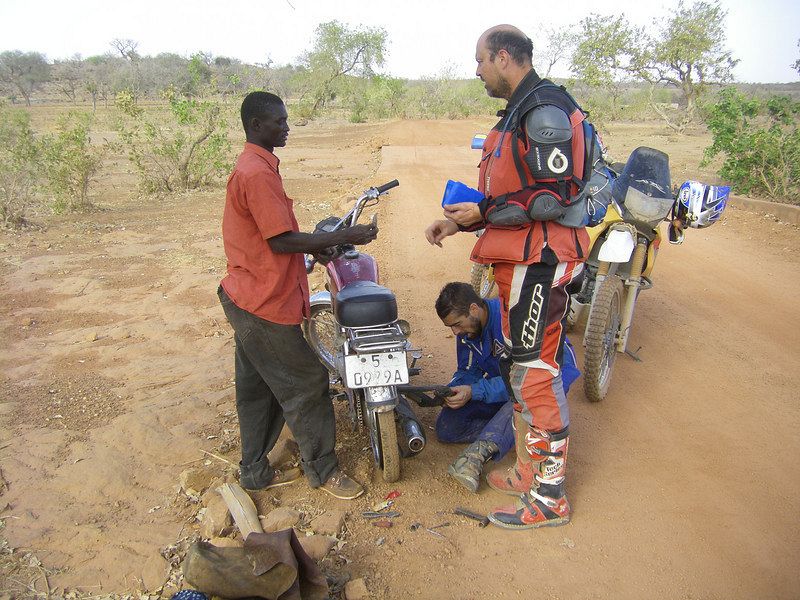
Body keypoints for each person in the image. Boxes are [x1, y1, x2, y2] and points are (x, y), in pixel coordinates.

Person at [425, 26, 590, 529]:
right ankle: (526, 469)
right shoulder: (519, 112)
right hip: (519, 261)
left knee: (536, 373)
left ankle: (550, 498)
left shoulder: (543, 110)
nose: (476, 71)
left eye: (479, 61)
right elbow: (517, 194)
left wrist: (483, 211)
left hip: (538, 262)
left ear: (503, 57)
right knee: (521, 372)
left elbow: (555, 194)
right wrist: (461, 219)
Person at [218, 91, 378, 500]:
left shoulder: (258, 168)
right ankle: (323, 470)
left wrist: (315, 247)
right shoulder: (256, 173)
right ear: (257, 126)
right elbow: (280, 240)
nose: (287, 128)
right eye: (280, 122)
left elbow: (276, 237)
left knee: (256, 387)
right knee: (306, 381)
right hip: (263, 302)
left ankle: (253, 470)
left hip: (248, 294)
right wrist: (344, 235)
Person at [435, 282, 579, 494]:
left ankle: (477, 455)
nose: (456, 332)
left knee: (519, 397)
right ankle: (510, 431)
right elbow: (467, 370)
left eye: (457, 324)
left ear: (474, 309)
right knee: (447, 428)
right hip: (508, 385)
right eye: (451, 327)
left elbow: (520, 380)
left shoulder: (511, 320)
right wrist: (454, 389)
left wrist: (475, 391)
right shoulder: (467, 332)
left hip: (542, 381)